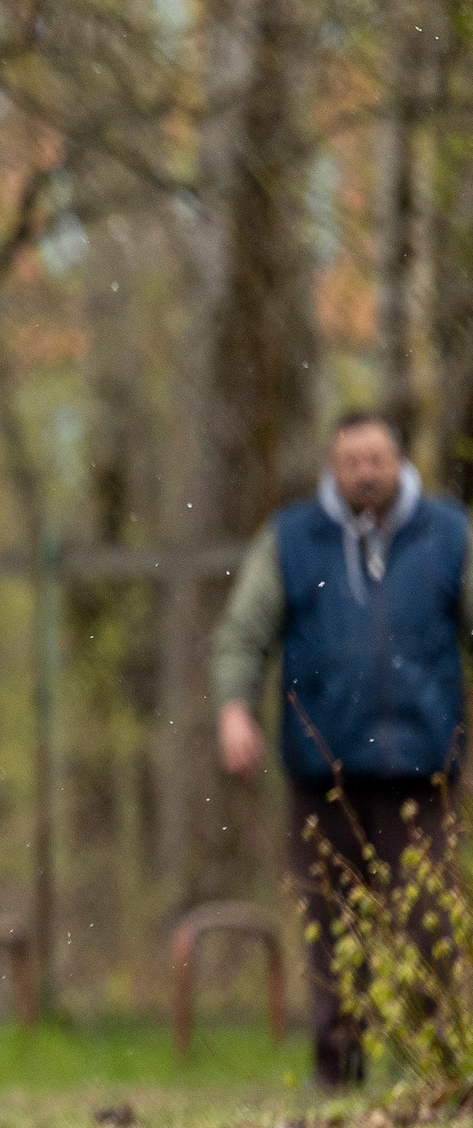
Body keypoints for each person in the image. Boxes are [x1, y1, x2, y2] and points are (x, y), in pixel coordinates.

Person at [212, 409, 472, 1085]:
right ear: (333, 466)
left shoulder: (447, 533)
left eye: (376, 459)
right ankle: (339, 1066)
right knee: (331, 927)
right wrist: (235, 708)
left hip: (425, 771)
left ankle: (436, 1068)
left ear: (398, 462)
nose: (364, 472)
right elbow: (244, 632)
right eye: (351, 460)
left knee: (428, 926)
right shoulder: (294, 539)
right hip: (322, 769)